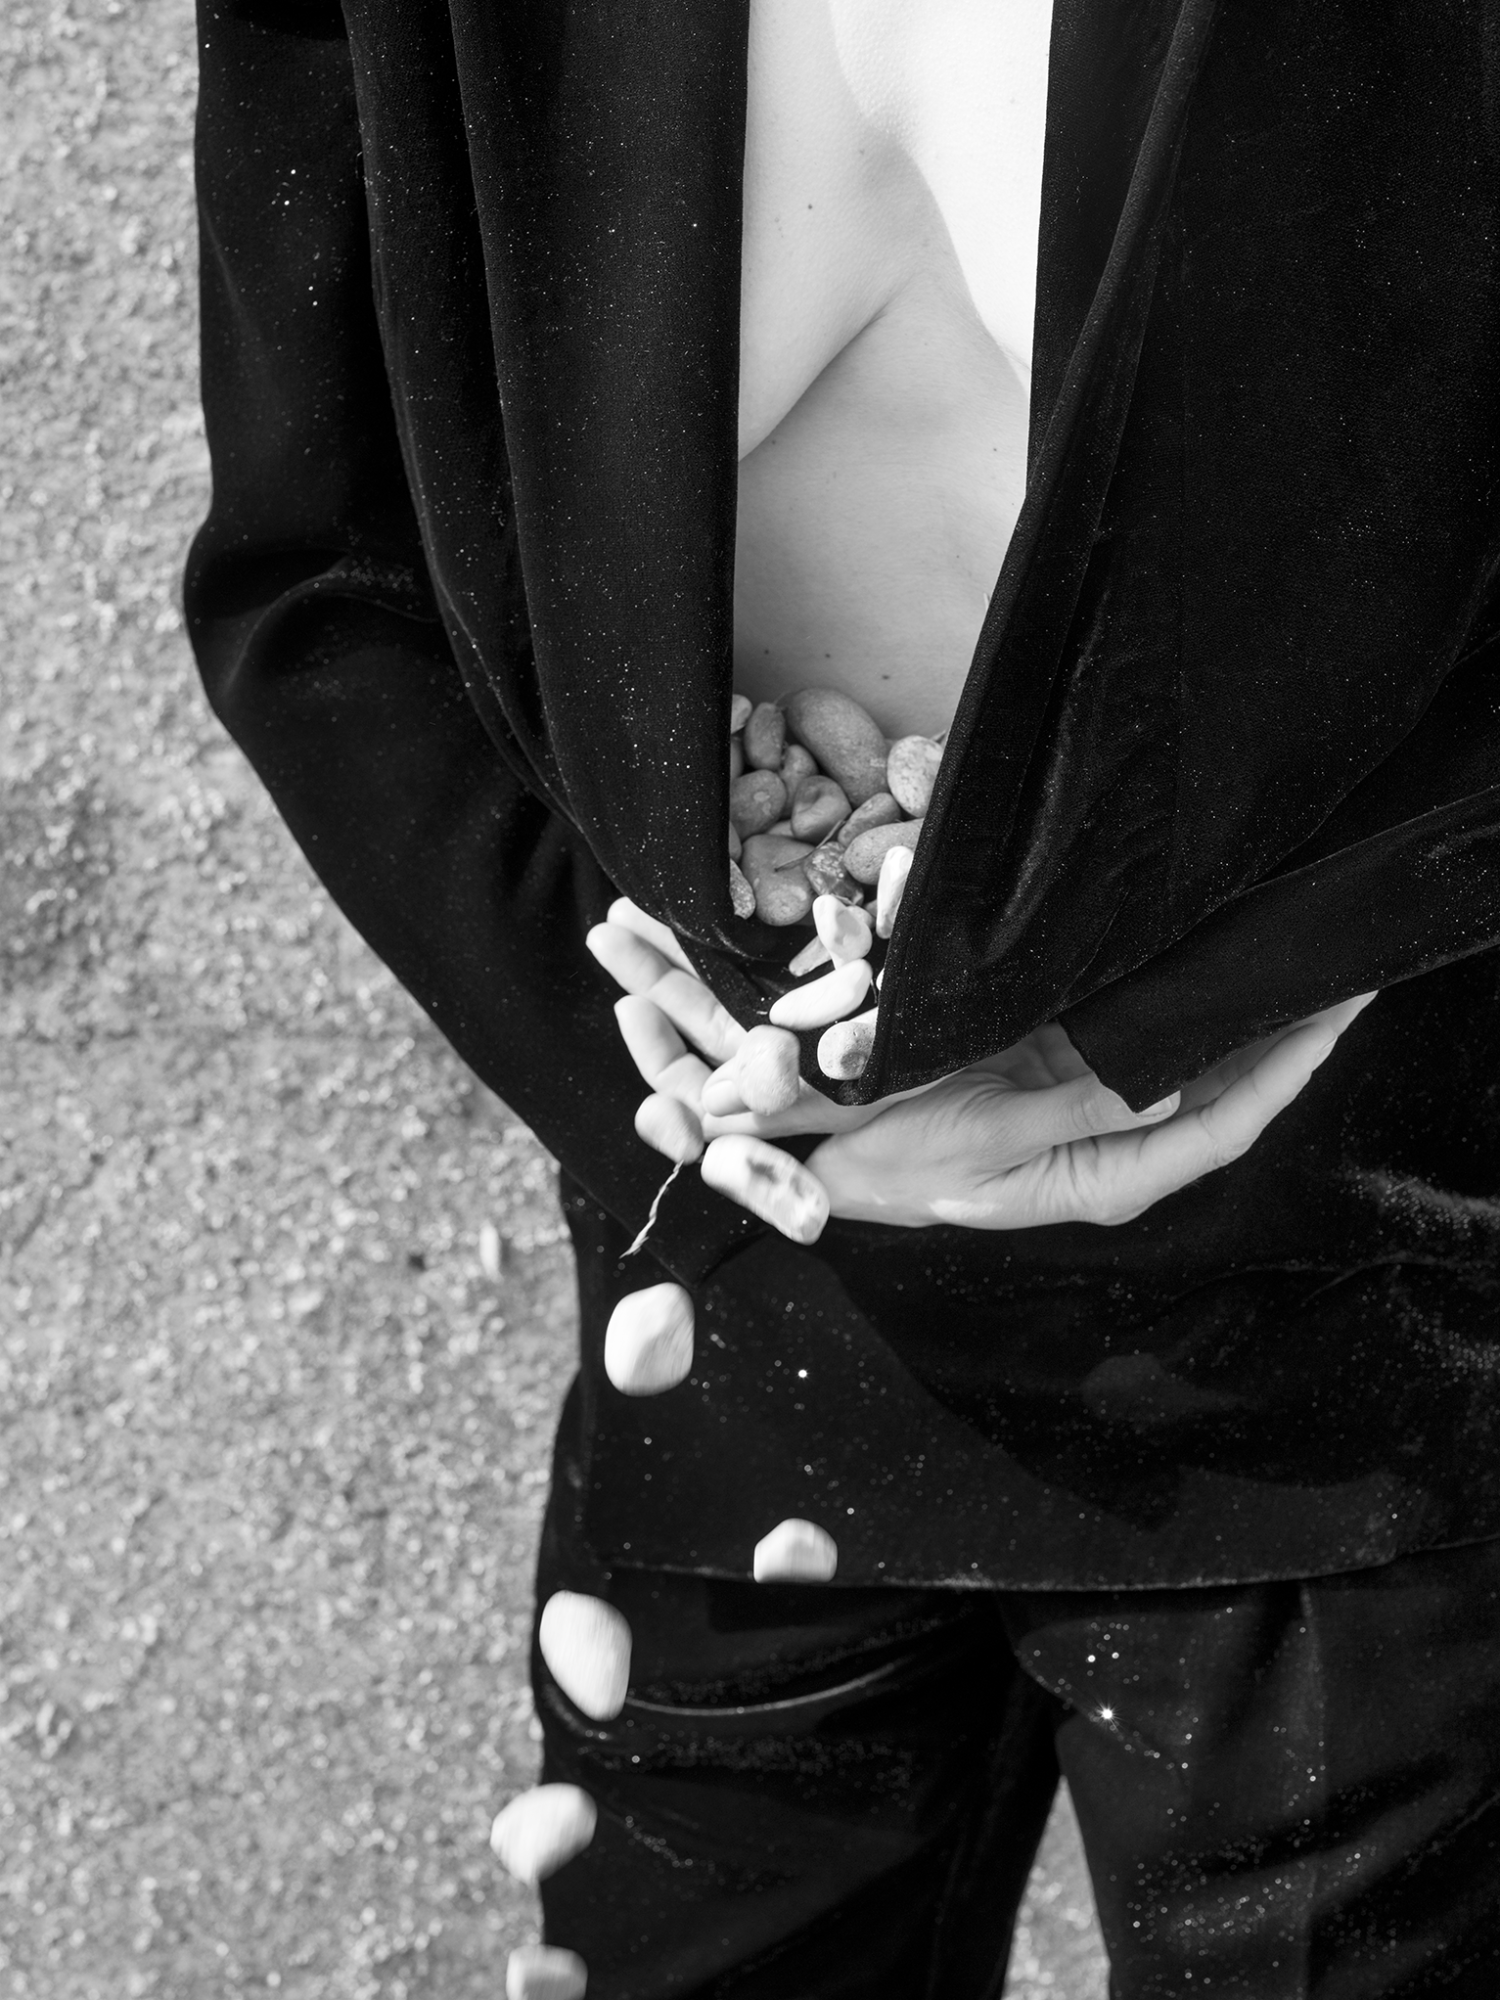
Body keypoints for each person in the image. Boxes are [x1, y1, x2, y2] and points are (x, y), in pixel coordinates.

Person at [187, 1, 1500, 1993]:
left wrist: (1215, 1007)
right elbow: (312, 564)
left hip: (1339, 1292)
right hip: (729, 1288)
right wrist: (687, 1067)